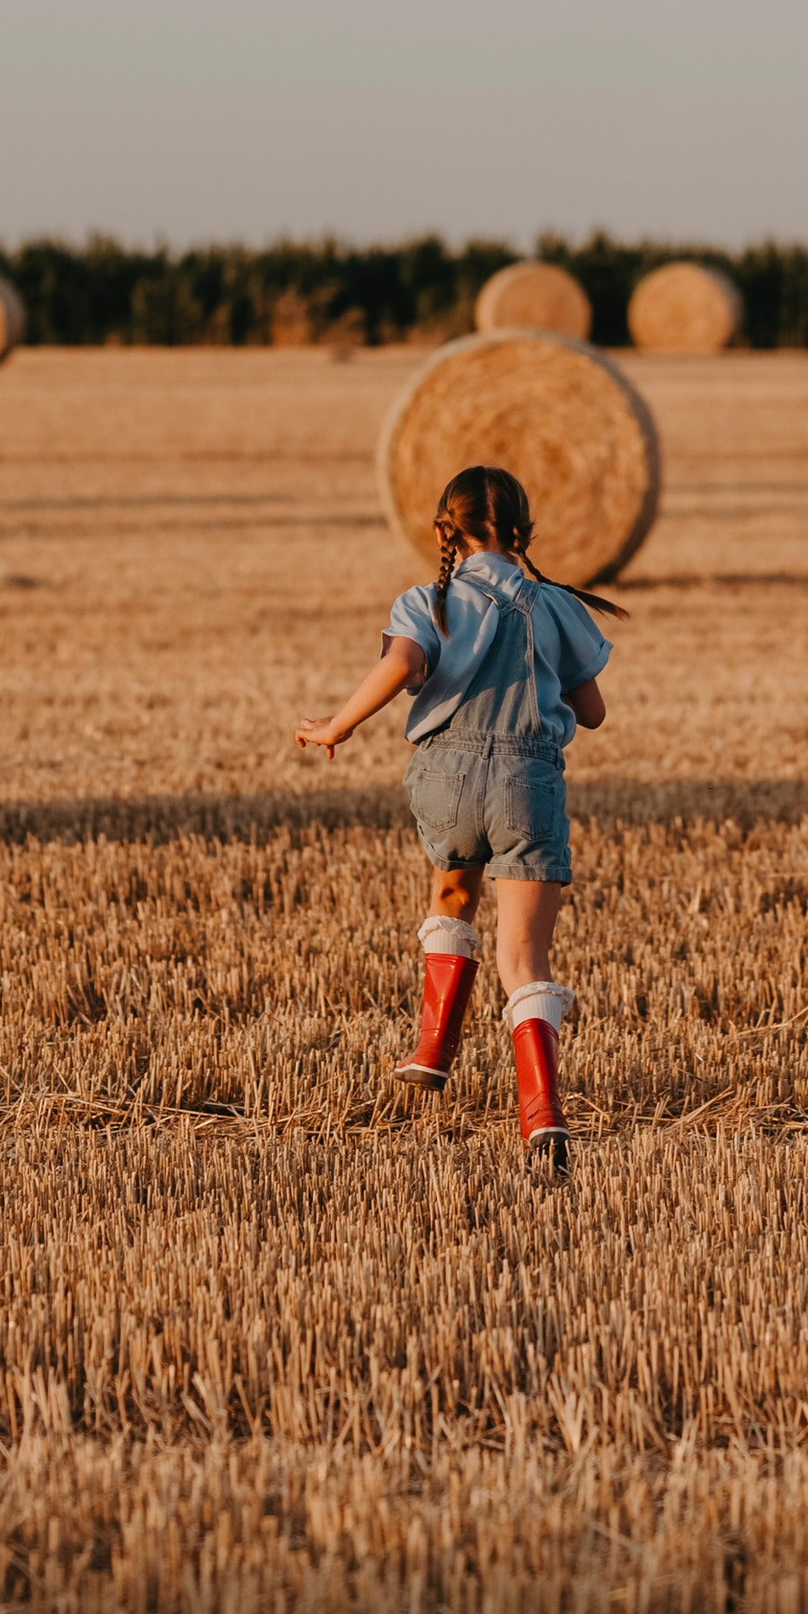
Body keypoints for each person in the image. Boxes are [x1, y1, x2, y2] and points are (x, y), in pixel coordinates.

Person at [295, 461, 622, 1168]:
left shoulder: (427, 601)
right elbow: (592, 713)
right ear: (525, 532)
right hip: (525, 779)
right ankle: (542, 1115)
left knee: (452, 894)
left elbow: (402, 665)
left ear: (444, 530)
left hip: (444, 778)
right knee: (523, 956)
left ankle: (432, 1050)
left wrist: (339, 725)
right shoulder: (557, 605)